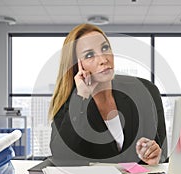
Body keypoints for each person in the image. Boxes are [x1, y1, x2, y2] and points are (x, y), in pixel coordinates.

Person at [48, 23, 167, 165]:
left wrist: (155, 156)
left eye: (105, 48)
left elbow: (162, 153)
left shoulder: (144, 90)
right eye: (90, 55)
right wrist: (81, 96)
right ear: (77, 66)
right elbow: (61, 156)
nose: (104, 60)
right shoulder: (71, 102)